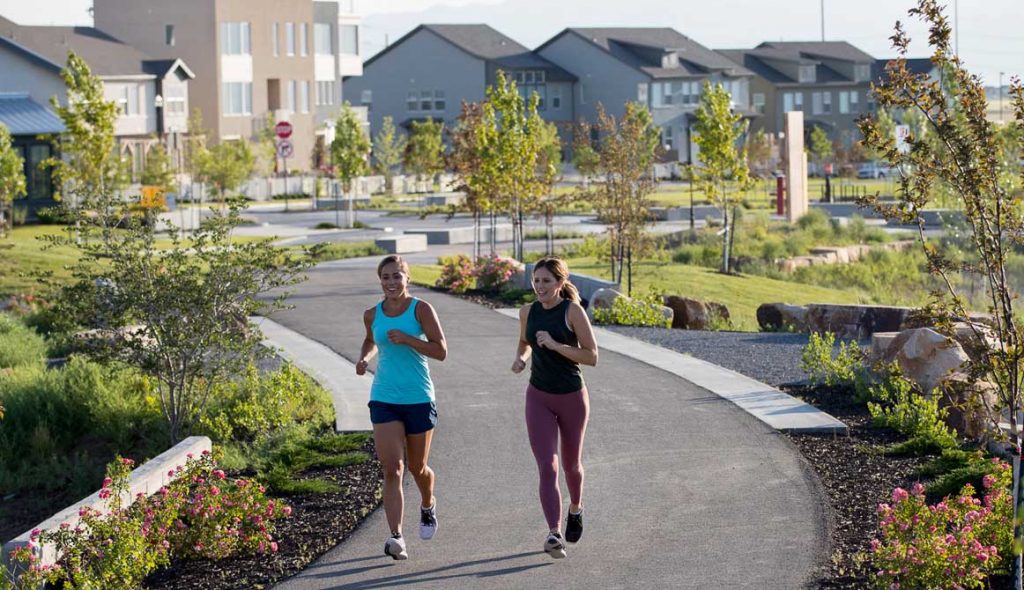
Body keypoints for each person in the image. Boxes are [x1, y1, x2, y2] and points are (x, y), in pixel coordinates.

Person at [356, 255, 447, 560]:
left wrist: (409, 339)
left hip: (419, 396)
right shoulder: (372, 314)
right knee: (392, 468)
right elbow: (371, 341)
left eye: (397, 276)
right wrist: (364, 358)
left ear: (408, 278)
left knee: (417, 467)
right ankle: (396, 537)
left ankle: (427, 504)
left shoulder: (421, 309)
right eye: (385, 277)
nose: (391, 282)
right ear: (379, 280)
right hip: (384, 396)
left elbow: (440, 350)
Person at [511, 257, 598, 559]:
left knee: (571, 466)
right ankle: (554, 533)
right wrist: (521, 358)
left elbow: (591, 356)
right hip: (539, 396)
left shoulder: (572, 311)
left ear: (560, 283)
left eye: (546, 281)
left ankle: (576, 507)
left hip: (572, 396)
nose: (539, 286)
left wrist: (555, 345)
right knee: (547, 467)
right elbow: (524, 342)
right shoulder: (527, 312)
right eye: (536, 280)